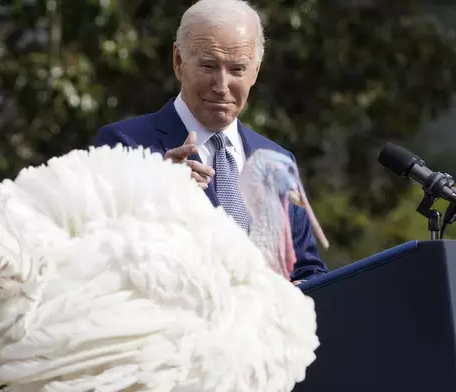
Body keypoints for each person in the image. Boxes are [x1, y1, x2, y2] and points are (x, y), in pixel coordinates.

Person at [93, 0, 328, 282]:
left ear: (255, 71)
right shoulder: (125, 145)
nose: (221, 85)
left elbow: (307, 271)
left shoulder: (277, 160)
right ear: (178, 62)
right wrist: (155, 193)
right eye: (208, 66)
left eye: (237, 69)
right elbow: (98, 256)